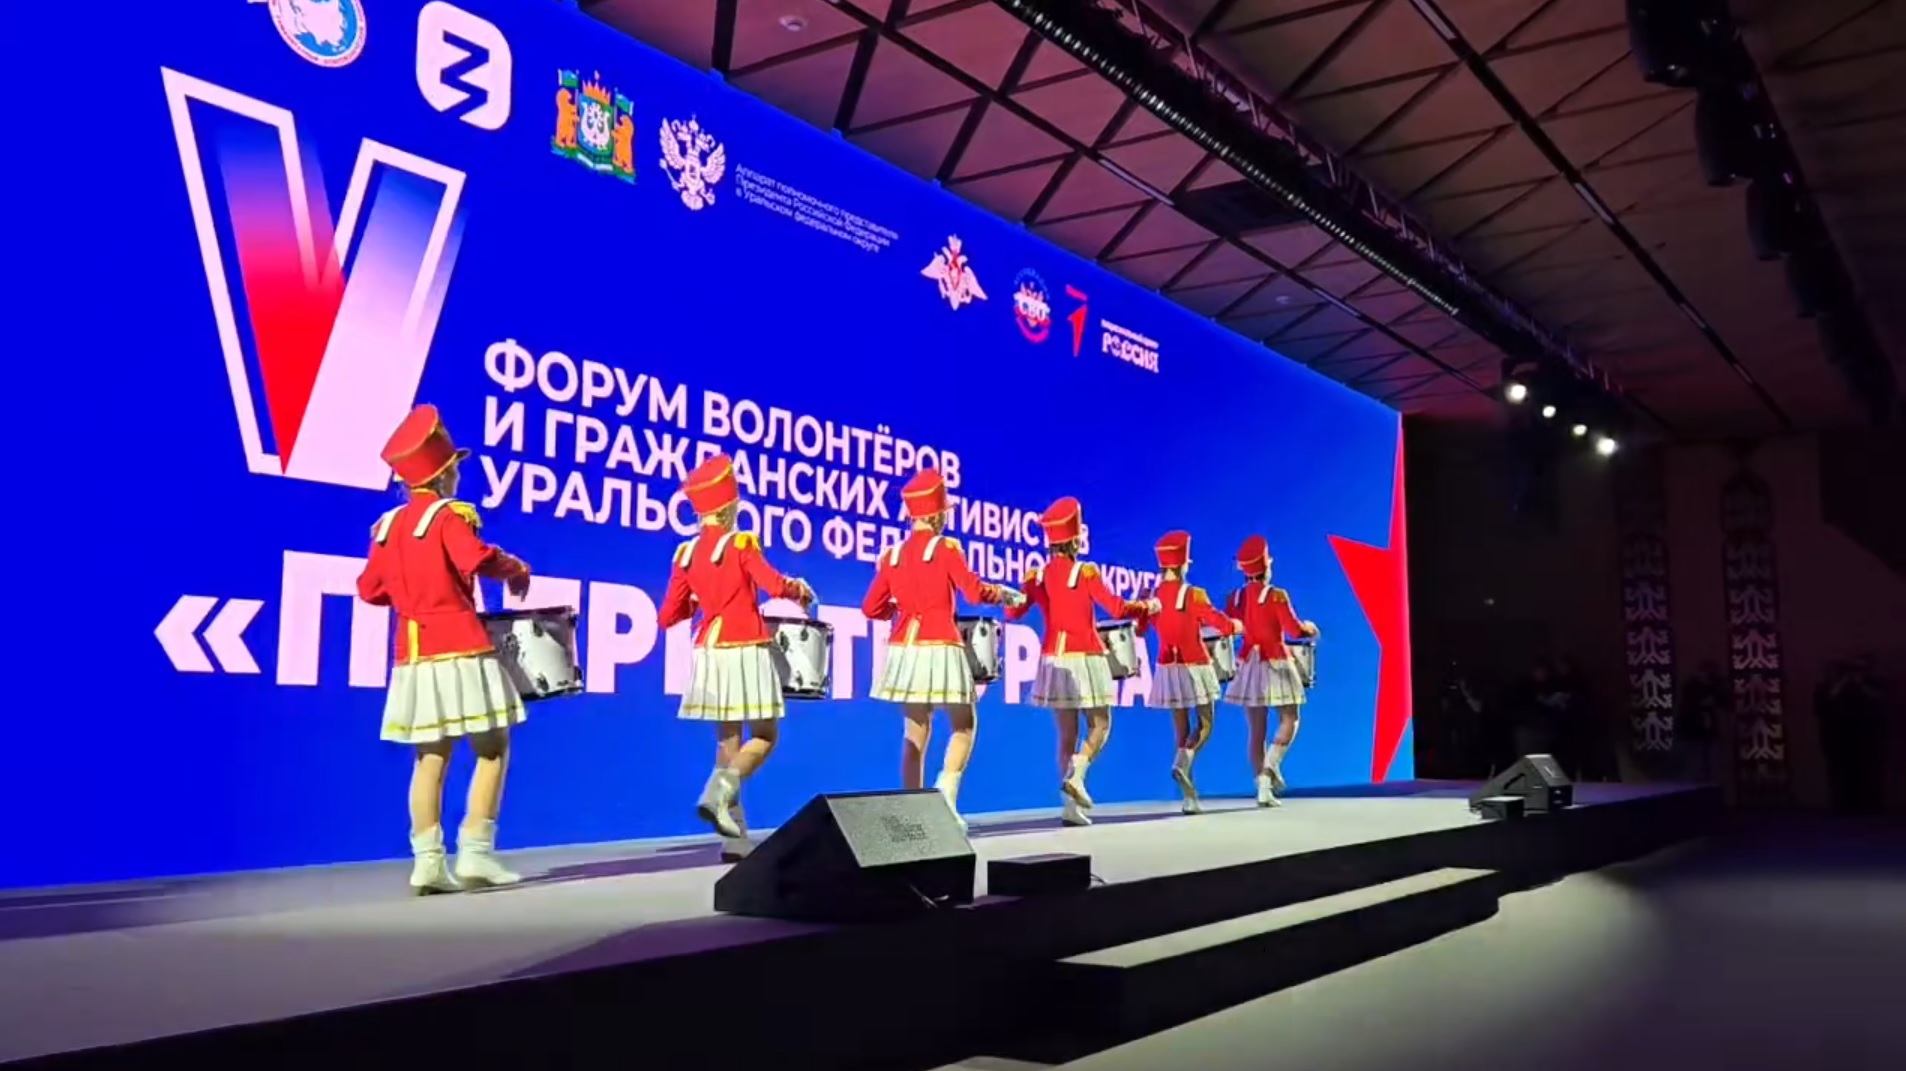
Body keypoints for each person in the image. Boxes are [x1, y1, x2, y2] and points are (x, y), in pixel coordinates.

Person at [355, 405, 534, 895]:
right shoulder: (449, 516)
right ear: (442, 474)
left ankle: (428, 862)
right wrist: (516, 568)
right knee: (492, 748)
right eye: (454, 467)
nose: (457, 474)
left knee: (430, 757)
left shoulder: (387, 526)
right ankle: (475, 852)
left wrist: (410, 592)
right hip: (461, 645)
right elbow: (475, 557)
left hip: (413, 654)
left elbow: (369, 590)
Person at [658, 452, 815, 857]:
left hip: (709, 648)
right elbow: (774, 585)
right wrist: (799, 589)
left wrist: (701, 597)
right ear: (730, 506)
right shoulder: (741, 543)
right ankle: (721, 788)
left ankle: (735, 840)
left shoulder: (685, 553)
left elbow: (668, 615)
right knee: (765, 735)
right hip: (743, 644)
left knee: (728, 743)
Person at [860, 468, 1018, 831]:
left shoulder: (893, 555)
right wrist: (1002, 593)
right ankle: (946, 794)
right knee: (964, 724)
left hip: (904, 647)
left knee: (915, 731)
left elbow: (870, 608)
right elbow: (974, 591)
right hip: (940, 643)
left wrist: (898, 611)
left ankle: (913, 810)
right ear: (936, 514)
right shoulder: (946, 549)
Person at [1007, 497, 1155, 827]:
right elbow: (1117, 608)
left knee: (1066, 735)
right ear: (1075, 540)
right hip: (1085, 655)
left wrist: (1022, 588)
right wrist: (1146, 606)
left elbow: (1012, 612)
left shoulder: (1037, 576)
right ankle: (1077, 774)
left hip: (1053, 658)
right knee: (1101, 724)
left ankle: (1069, 808)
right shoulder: (1085, 572)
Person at [1132, 531, 1241, 815]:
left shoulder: (1153, 596)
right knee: (1205, 724)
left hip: (1167, 667)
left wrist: (1141, 606)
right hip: (1195, 664)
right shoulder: (1194, 594)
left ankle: (1189, 797)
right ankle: (1183, 763)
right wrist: (1235, 626)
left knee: (1180, 730)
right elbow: (1217, 621)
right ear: (1183, 565)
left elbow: (1140, 631)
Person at [1224, 535, 1319, 807]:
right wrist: (1309, 628)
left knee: (1256, 730)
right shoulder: (1277, 595)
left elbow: (1231, 627)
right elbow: (1294, 630)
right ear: (1266, 567)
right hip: (1275, 662)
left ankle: (1262, 787)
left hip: (1248, 664)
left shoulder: (1235, 598)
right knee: (1291, 718)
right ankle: (1270, 769)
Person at [1817, 656, 1886, 814]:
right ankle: (1841, 806)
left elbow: (1879, 698)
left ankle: (1870, 807)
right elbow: (1826, 700)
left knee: (1868, 773)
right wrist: (1844, 682)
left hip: (1866, 740)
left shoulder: (1873, 684)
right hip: (1837, 740)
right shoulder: (1826, 687)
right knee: (1839, 774)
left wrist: (1860, 684)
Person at [1678, 660, 1727, 783]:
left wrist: (1718, 688)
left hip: (1709, 731)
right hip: (1695, 731)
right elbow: (1690, 705)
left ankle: (1711, 788)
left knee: (1714, 764)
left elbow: (1725, 702)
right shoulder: (1691, 686)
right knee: (1696, 764)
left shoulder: (1713, 686)